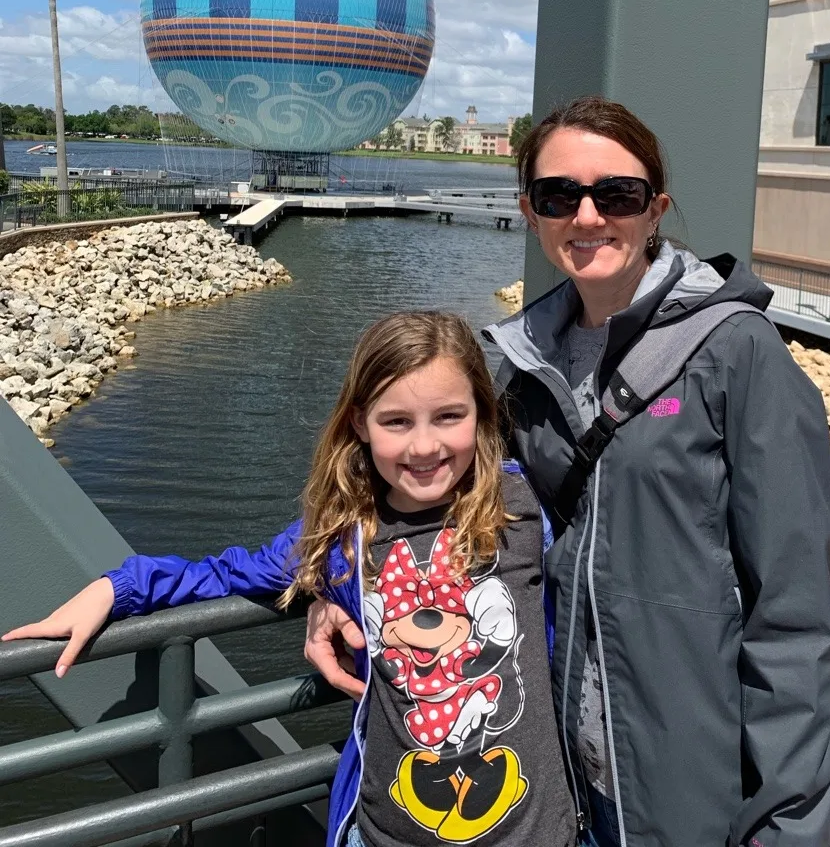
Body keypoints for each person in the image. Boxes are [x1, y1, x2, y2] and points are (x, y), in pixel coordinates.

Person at [302, 96, 830, 847]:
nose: (587, 216)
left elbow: (794, 611)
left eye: (615, 194)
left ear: (654, 209)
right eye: (559, 196)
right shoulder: (528, 370)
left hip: (692, 772)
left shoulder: (738, 355)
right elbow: (451, 512)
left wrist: (789, 818)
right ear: (531, 212)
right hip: (569, 777)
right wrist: (333, 586)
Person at [3, 311, 577, 847]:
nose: (424, 445)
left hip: (537, 830)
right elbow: (226, 574)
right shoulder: (344, 534)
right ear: (359, 422)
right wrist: (118, 588)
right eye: (396, 421)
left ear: (480, 412)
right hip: (387, 832)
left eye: (449, 417)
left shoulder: (527, 506)